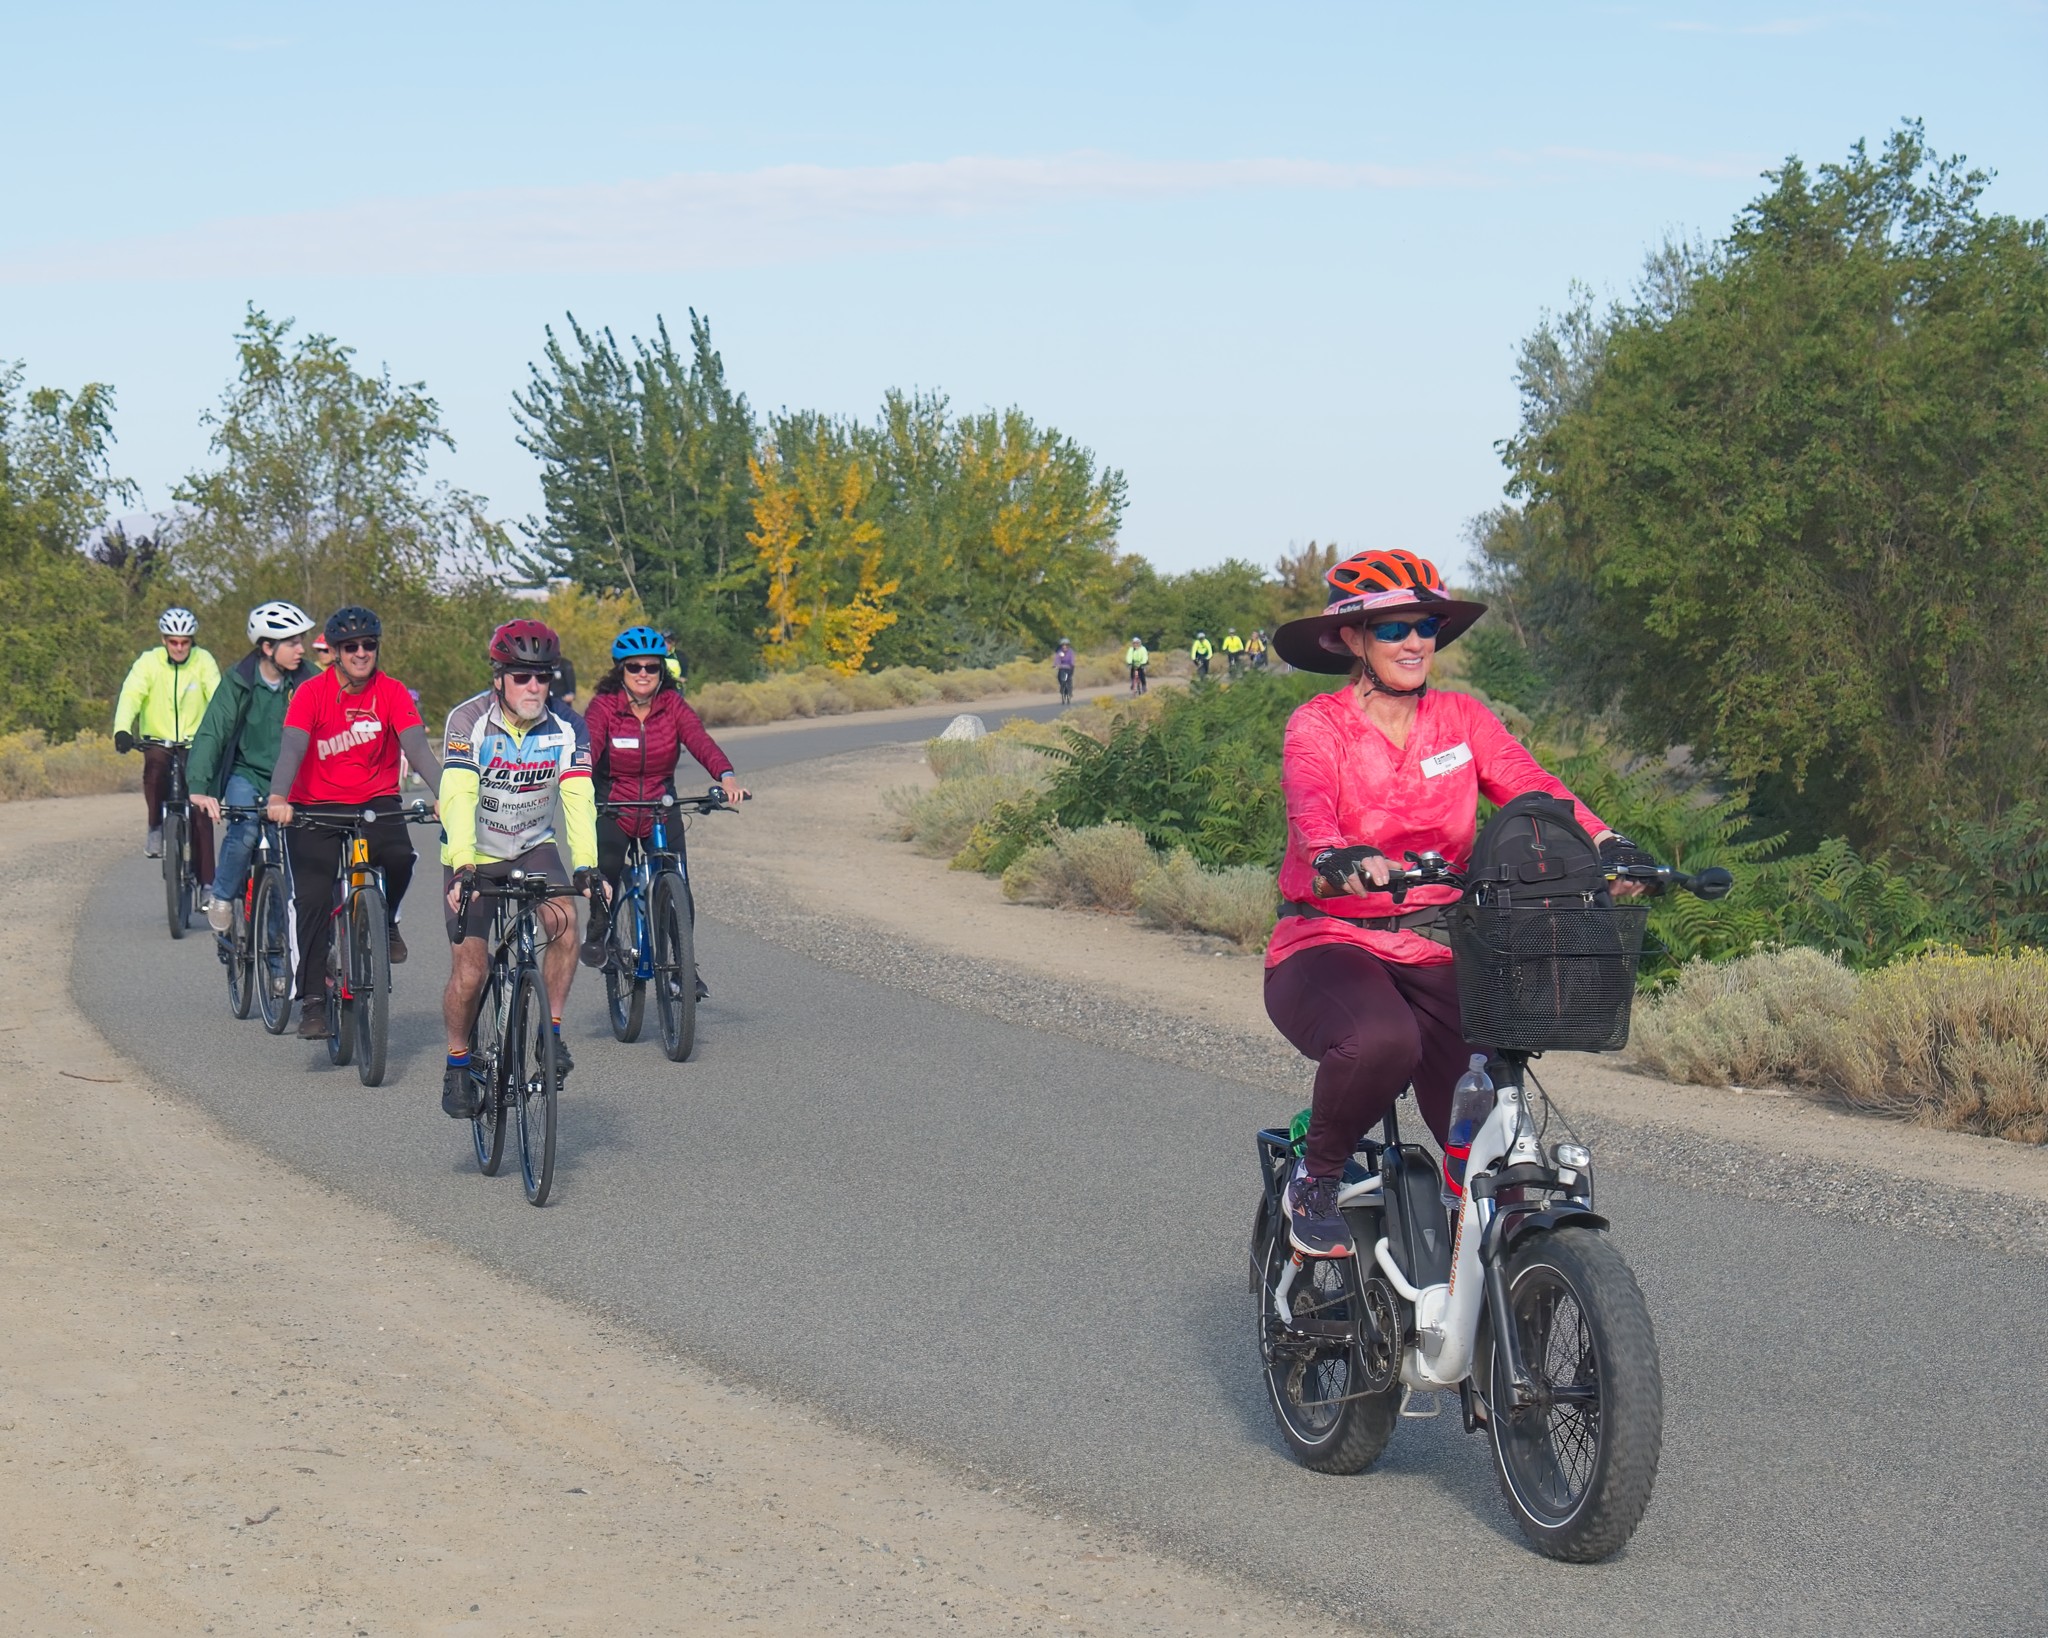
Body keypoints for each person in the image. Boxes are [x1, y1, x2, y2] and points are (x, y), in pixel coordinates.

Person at [1262, 549, 1644, 1258]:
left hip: (1440, 946)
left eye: (1427, 624)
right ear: (1352, 639)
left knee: (1487, 1127)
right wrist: (1333, 856)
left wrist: (1606, 841)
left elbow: (1532, 787)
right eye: (1393, 627)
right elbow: (1311, 804)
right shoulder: (1319, 727)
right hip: (1328, 942)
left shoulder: (1461, 721)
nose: (1414, 641)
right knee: (1383, 1040)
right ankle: (1314, 1177)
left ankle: (1493, 1292)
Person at [437, 620, 600, 1118]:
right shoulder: (468, 722)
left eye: (543, 677)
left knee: (565, 923)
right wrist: (464, 865)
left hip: (532, 845)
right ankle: (458, 1062)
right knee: (471, 970)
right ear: (499, 677)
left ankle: (549, 1036)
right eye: (522, 676)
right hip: (474, 855)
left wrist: (588, 865)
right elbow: (460, 793)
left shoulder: (569, 726)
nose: (534, 687)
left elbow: (578, 798)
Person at [266, 607, 442, 1040]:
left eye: (369, 645)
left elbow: (417, 747)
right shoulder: (311, 693)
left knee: (400, 856)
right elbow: (291, 748)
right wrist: (278, 797)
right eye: (351, 647)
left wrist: (445, 793)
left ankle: (387, 922)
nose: (361, 653)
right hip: (314, 806)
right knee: (311, 901)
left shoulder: (393, 692)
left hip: (373, 800)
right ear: (336, 653)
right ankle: (310, 1000)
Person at [579, 626, 747, 993]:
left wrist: (726, 776)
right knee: (605, 873)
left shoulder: (672, 704)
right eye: (634, 667)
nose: (643, 674)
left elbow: (699, 740)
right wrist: (576, 785)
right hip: (615, 804)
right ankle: (598, 931)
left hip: (660, 804)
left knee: (679, 887)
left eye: (651, 667)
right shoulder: (604, 706)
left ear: (662, 671)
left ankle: (682, 967)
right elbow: (588, 749)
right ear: (620, 670)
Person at [189, 601, 314, 936]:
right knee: (244, 832)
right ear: (267, 647)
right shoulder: (239, 680)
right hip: (248, 775)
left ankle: (277, 965)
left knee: (283, 862)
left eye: (301, 641)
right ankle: (222, 896)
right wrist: (199, 786)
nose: (301, 649)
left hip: (289, 783)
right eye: (292, 643)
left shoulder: (309, 680)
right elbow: (213, 730)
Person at [112, 607, 222, 865]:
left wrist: (222, 736)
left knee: (200, 811)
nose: (179, 648)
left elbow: (218, 699)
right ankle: (155, 826)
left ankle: (208, 885)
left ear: (192, 642)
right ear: (164, 640)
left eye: (185, 642)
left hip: (196, 741)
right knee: (154, 770)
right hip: (158, 739)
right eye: (173, 642)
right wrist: (122, 729)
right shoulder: (148, 662)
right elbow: (131, 695)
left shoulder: (203, 661)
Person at [1053, 639, 1077, 706]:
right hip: (1062, 668)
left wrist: (1072, 664)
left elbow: (1072, 660)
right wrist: (1055, 665)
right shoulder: (1060, 652)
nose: (1064, 646)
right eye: (1063, 645)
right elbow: (1057, 659)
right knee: (1059, 678)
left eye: (1066, 645)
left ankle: (1069, 692)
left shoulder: (1071, 652)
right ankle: (1062, 690)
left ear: (1068, 645)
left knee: (1069, 679)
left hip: (1069, 668)